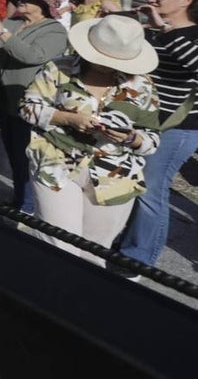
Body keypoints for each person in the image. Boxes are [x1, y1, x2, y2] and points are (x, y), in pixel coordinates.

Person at [20, 15, 160, 265]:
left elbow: (152, 138)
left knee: (95, 253)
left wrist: (132, 138)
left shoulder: (142, 84)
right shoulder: (59, 69)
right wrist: (67, 118)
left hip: (115, 174)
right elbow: (27, 107)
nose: (107, 66)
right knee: (59, 244)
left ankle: (79, 290)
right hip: (56, 163)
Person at [119, 0, 198, 271]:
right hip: (145, 122)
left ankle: (139, 258)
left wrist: (163, 29)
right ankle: (127, 240)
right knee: (132, 182)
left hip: (178, 127)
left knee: (151, 189)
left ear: (185, 0)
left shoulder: (191, 34)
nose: (151, 0)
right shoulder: (154, 31)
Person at [0, 0, 68, 213]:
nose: (21, 1)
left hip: (30, 103)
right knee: (13, 153)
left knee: (26, 156)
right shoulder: (15, 22)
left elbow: (32, 55)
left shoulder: (54, 30)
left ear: (43, 4)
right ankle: (19, 200)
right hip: (5, 97)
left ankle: (27, 207)